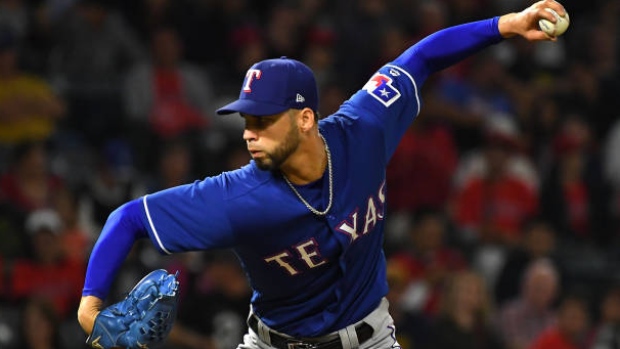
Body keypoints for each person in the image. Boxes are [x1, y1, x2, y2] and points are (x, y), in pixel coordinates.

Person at [77, 2, 568, 348]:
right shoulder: (238, 196)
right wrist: (90, 308)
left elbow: (420, 57)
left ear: (306, 118)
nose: (251, 133)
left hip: (371, 339)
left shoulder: (364, 128)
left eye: (264, 120)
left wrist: (505, 24)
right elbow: (129, 218)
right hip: (273, 343)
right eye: (247, 120)